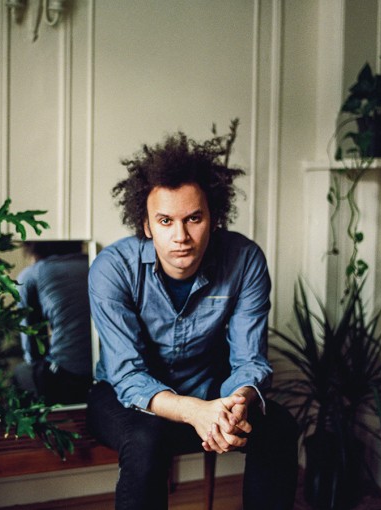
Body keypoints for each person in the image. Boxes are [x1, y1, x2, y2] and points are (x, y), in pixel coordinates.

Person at [86, 130, 299, 509]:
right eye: (165, 221)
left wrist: (235, 402)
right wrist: (193, 411)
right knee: (146, 440)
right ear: (146, 225)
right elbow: (127, 374)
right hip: (124, 398)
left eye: (194, 218)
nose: (181, 236)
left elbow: (249, 360)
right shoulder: (112, 269)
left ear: (213, 218)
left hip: (210, 390)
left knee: (279, 427)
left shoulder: (245, 259)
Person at [13, 241, 93, 405]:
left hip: (68, 377)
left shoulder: (34, 273)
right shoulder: (97, 262)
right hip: (110, 374)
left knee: (22, 372)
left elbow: (31, 340)